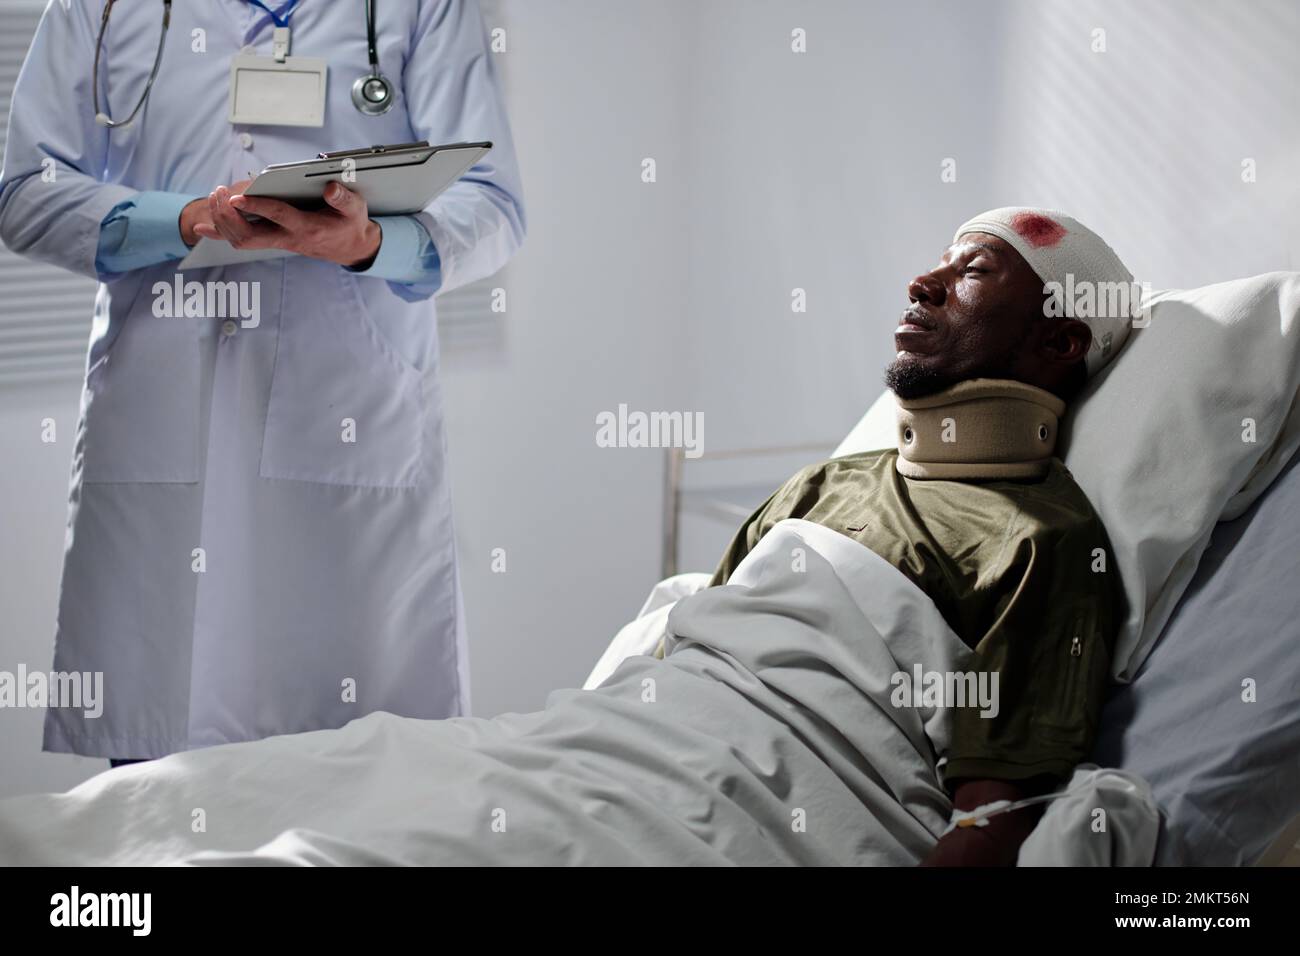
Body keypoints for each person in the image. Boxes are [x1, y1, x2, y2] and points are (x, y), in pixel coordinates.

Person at [0, 0, 525, 765]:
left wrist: (370, 241)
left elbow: (493, 203)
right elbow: (24, 189)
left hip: (346, 423)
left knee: (365, 781)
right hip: (162, 412)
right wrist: (181, 220)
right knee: (161, 799)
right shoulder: (100, 7)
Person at [707, 206, 1132, 865]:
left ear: (1059, 344)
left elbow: (987, 828)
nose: (922, 282)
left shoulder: (1046, 539)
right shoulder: (817, 486)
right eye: (940, 260)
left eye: (974, 271)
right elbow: (685, 659)